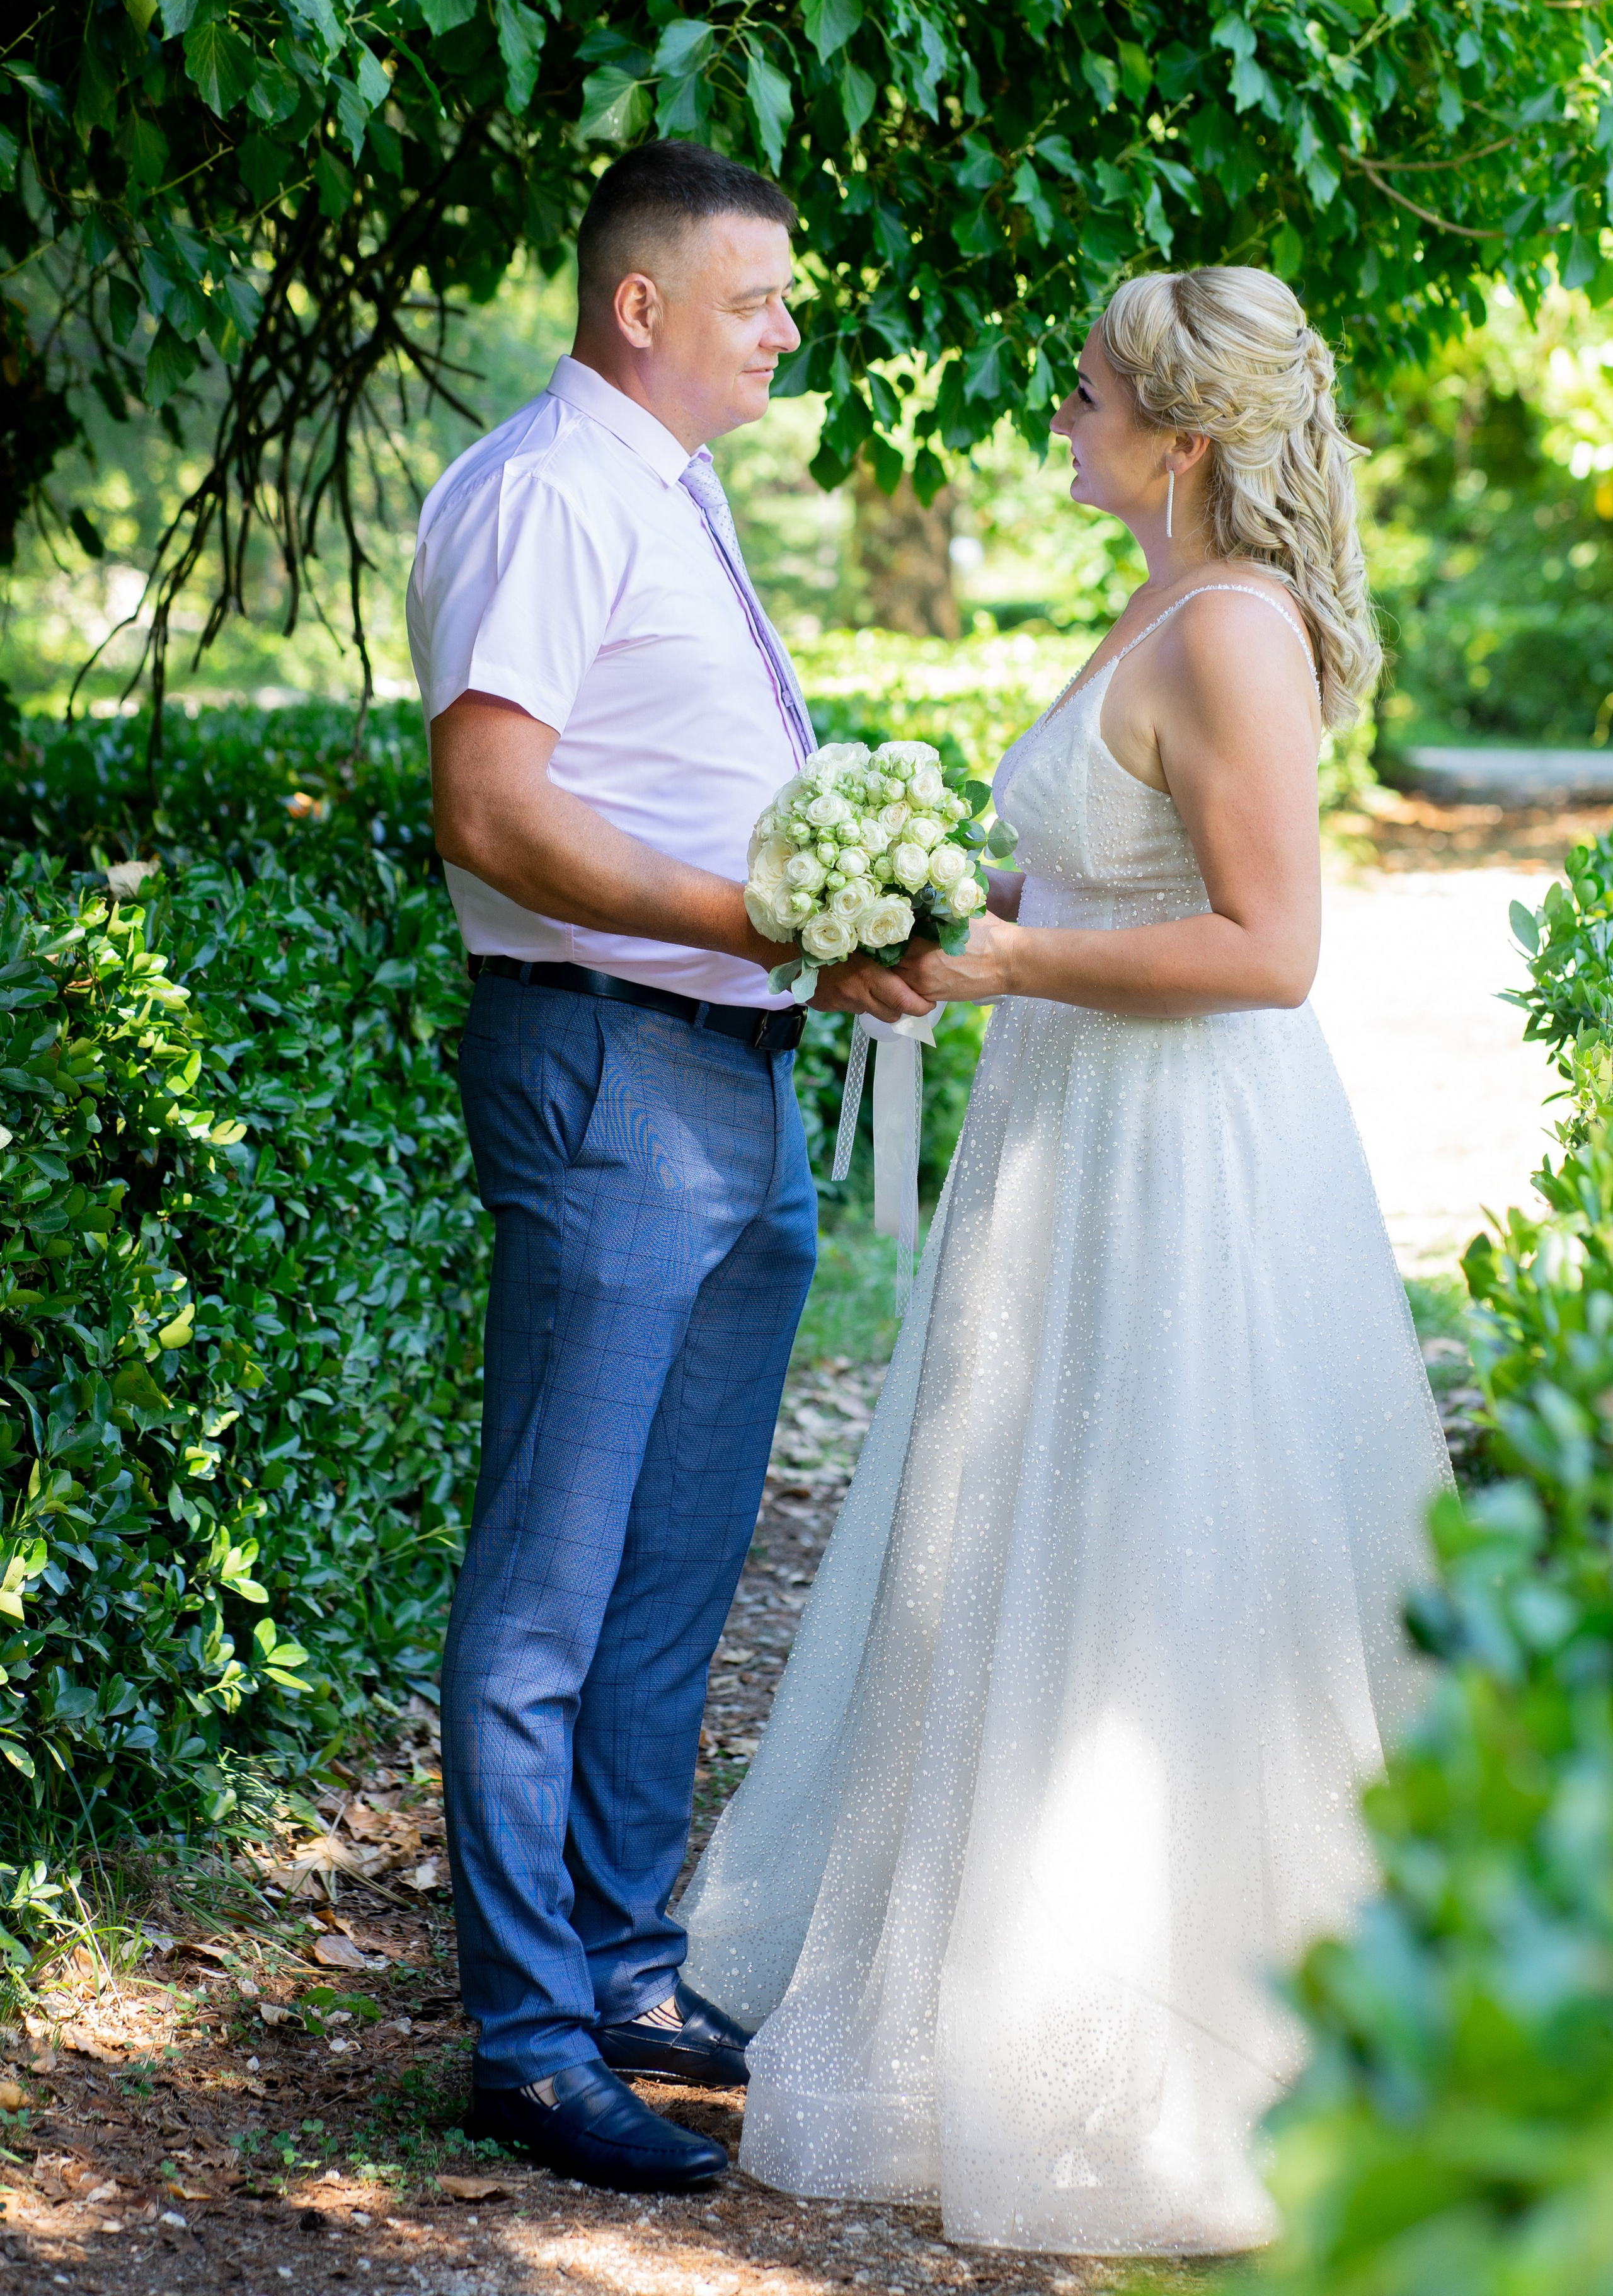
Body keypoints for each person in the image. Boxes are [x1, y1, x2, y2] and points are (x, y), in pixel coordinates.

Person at [678, 267, 1452, 2254]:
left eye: (1091, 391)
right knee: (1027, 1543)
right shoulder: (1157, 600)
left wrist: (1013, 957)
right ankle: (991, 2005)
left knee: (1163, 1540)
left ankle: (1202, 2048)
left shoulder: (1242, 630)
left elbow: (1270, 950)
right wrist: (958, 903)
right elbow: (1136, 866)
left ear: (1183, 437)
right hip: (1071, 1131)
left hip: (1180, 1155)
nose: (1064, 415)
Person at [409, 140, 933, 2196]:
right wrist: (768, 920)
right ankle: (528, 2039)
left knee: (672, 1564)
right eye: (759, 298)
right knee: (551, 1572)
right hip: (616, 1065)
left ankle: (624, 1963)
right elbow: (493, 812)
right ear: (644, 309)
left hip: (734, 1074)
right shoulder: (549, 489)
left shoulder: (669, 492)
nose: (790, 326)